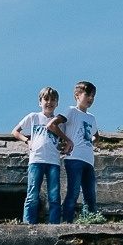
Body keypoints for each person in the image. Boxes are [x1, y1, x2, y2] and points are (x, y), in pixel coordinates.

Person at [13, 87, 72, 223]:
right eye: (46, 99)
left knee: (54, 196)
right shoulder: (33, 117)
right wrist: (27, 140)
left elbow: (61, 141)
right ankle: (28, 224)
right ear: (40, 102)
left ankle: (54, 226)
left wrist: (63, 146)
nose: (49, 102)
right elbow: (15, 131)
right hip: (36, 160)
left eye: (53, 100)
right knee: (32, 195)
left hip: (53, 161)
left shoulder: (60, 123)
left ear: (57, 103)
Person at [57, 81, 100, 220]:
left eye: (93, 96)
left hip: (88, 160)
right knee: (73, 193)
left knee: (90, 196)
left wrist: (87, 143)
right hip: (74, 158)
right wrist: (67, 141)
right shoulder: (71, 111)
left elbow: (96, 136)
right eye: (87, 94)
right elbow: (52, 125)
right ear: (77, 95)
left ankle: (91, 222)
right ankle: (66, 223)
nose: (91, 98)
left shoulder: (91, 117)